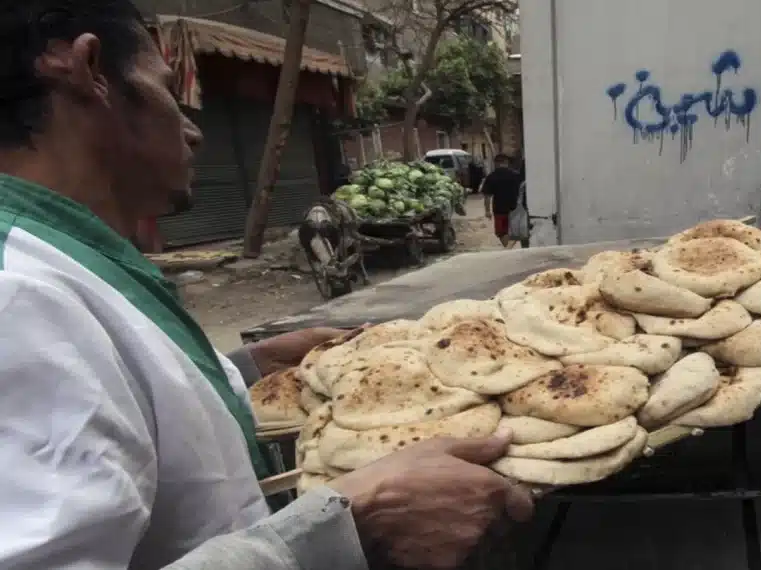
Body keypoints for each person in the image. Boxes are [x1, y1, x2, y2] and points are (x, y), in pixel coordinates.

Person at [0, 2, 532, 569]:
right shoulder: (18, 298)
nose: (193, 131)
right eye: (165, 90)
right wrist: (351, 522)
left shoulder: (61, 260)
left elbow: (115, 410)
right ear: (88, 69)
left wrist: (248, 369)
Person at [480, 154, 524, 248]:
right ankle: (510, 248)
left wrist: (487, 211)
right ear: (506, 163)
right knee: (516, 231)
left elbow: (487, 196)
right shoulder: (516, 175)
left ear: (495, 163)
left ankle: (509, 249)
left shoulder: (491, 177)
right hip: (515, 209)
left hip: (500, 210)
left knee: (502, 232)